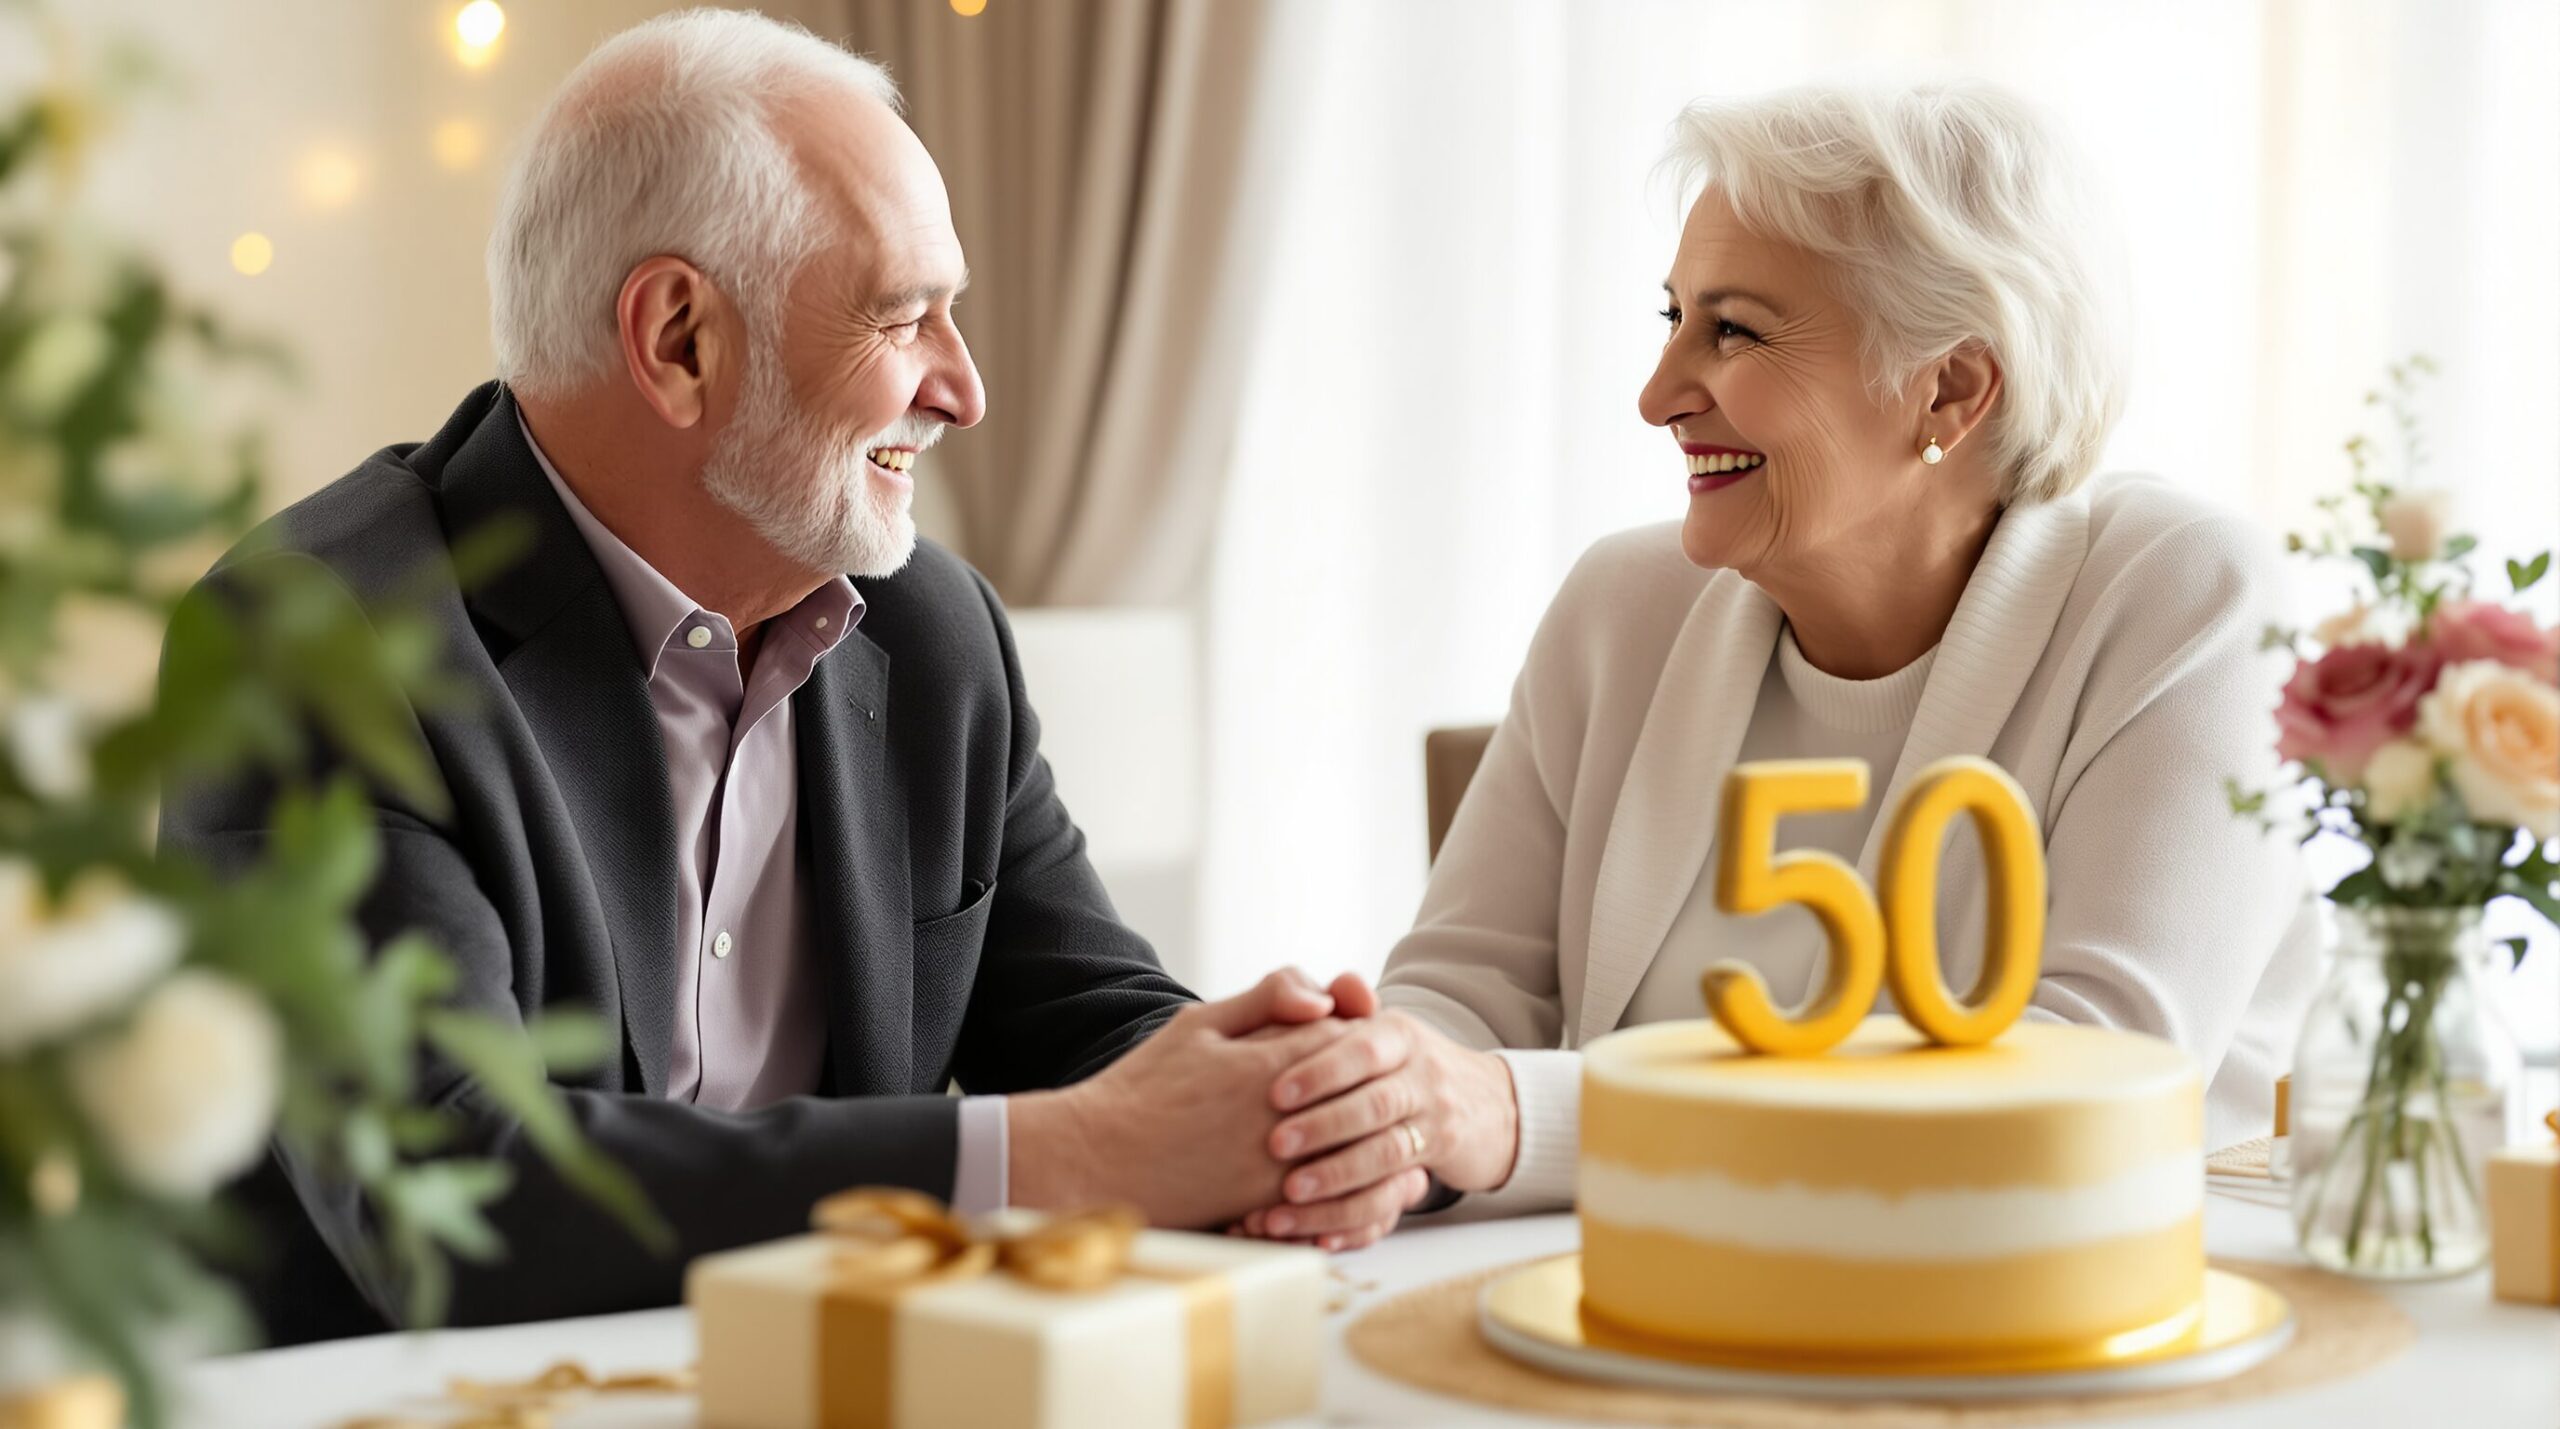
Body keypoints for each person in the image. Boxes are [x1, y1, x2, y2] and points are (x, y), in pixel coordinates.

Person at [160, 10, 1381, 1343]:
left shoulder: (935, 633)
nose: (964, 390)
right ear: (680, 338)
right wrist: (1059, 1157)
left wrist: (1309, 1101)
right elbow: (450, 1190)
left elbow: (1088, 1026)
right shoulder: (314, 640)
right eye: (904, 317)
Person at [1235, 81, 2319, 1249]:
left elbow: (2086, 1089)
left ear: (1950, 387)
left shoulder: (2186, 597)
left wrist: (1516, 1116)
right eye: (1672, 318)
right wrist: (1373, 1109)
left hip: (2055, 1314)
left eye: (1733, 331)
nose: (1656, 397)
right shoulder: (1622, 604)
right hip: (1636, 1290)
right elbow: (1460, 997)